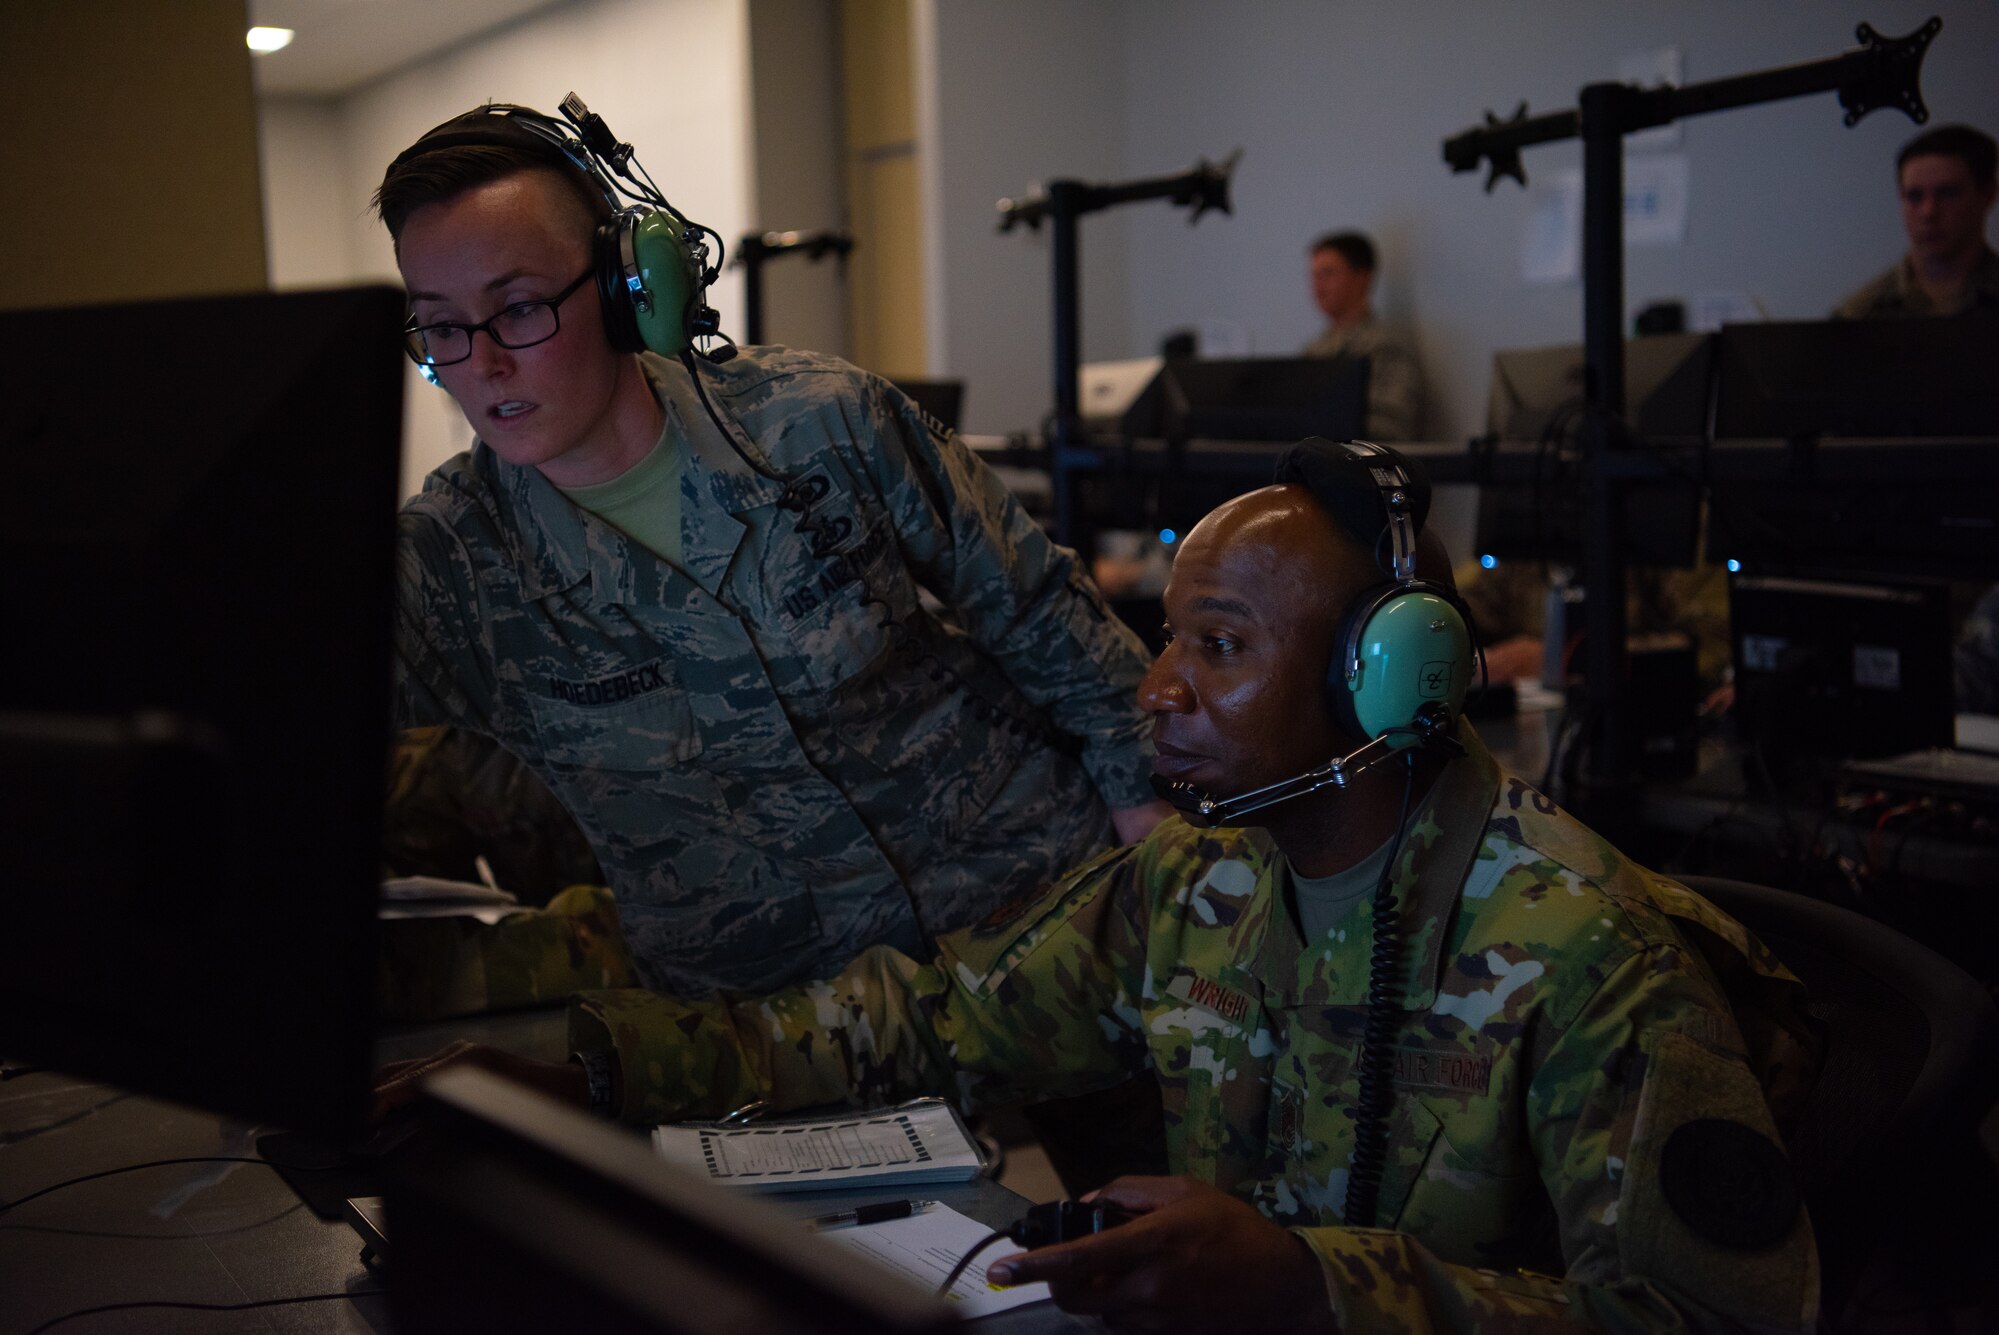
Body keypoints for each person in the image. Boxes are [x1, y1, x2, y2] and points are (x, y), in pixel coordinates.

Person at [388, 440, 1820, 1331]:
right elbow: (924, 1022)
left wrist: (1311, 1288)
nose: (1159, 688)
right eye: (1167, 637)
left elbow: (1709, 1317)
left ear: (1385, 679)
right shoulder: (1200, 883)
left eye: (1220, 646)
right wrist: (594, 1060)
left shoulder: (1588, 952)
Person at [377, 97, 1169, 999]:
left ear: (626, 290)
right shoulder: (450, 566)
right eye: (440, 327)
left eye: (517, 308)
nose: (480, 363)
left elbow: (1034, 605)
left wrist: (1148, 822)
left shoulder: (816, 421)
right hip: (774, 1043)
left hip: (1032, 929)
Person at [1834, 123, 1999, 319]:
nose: (1928, 212)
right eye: (1914, 196)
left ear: (1988, 194)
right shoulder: (1859, 314)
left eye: (1948, 193)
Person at [1301, 231, 1426, 440]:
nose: (1318, 287)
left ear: (1362, 277)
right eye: (1314, 276)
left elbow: (1394, 428)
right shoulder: (1313, 351)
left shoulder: (1387, 348)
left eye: (1328, 274)